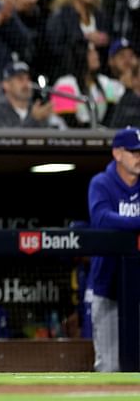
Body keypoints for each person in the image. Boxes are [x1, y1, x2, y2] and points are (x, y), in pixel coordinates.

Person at [87, 127, 140, 372]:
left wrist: (127, 225)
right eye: (133, 151)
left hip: (137, 290)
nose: (138, 156)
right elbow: (101, 219)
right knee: (108, 366)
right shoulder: (102, 183)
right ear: (117, 153)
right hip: (108, 286)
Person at [0, 61, 60, 129]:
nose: (26, 83)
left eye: (28, 79)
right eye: (20, 79)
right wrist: (34, 119)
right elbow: (4, 142)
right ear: (6, 85)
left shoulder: (38, 111)